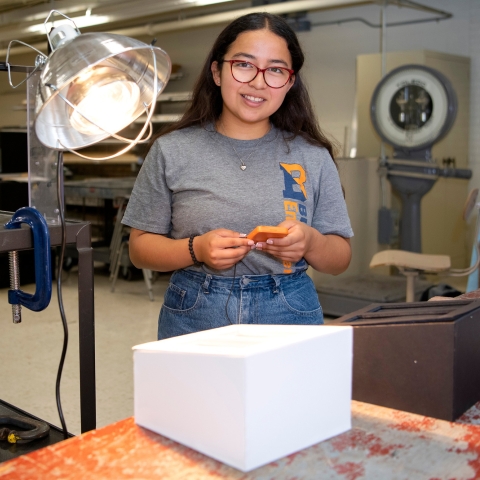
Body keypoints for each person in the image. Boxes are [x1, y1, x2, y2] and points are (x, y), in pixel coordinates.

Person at [121, 12, 353, 340]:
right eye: (244, 65)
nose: (258, 82)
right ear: (217, 71)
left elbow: (339, 258)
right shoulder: (171, 151)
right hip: (194, 311)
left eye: (275, 69)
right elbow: (140, 249)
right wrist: (196, 249)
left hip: (288, 310)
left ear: (289, 82)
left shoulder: (312, 157)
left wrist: (311, 242)